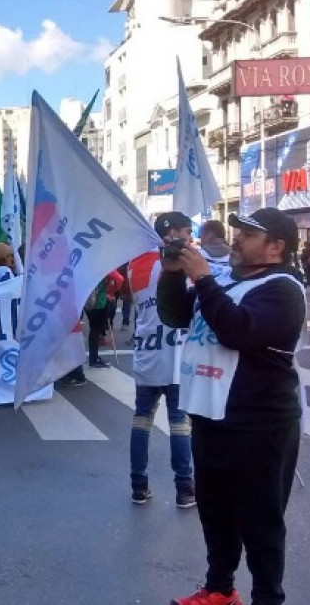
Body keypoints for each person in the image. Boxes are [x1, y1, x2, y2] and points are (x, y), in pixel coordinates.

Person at [159, 208, 305, 605]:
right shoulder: (225, 279)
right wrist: (172, 272)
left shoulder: (283, 289)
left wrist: (203, 278)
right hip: (211, 416)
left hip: (259, 426)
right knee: (216, 514)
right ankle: (220, 589)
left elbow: (238, 330)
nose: (237, 237)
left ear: (276, 247)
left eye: (248, 234)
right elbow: (174, 315)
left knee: (261, 525)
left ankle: (267, 599)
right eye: (238, 230)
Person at [126, 213, 195, 509]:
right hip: (177, 351)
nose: (191, 238)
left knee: (141, 421)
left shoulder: (135, 264)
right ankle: (185, 489)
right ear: (173, 234)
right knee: (180, 424)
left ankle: (138, 486)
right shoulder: (187, 260)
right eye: (188, 232)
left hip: (148, 350)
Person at [85, 270, 124, 368]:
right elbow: (119, 279)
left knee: (93, 330)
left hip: (88, 302)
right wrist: (111, 292)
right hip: (100, 303)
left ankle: (94, 357)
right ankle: (94, 359)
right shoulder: (105, 267)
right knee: (96, 332)